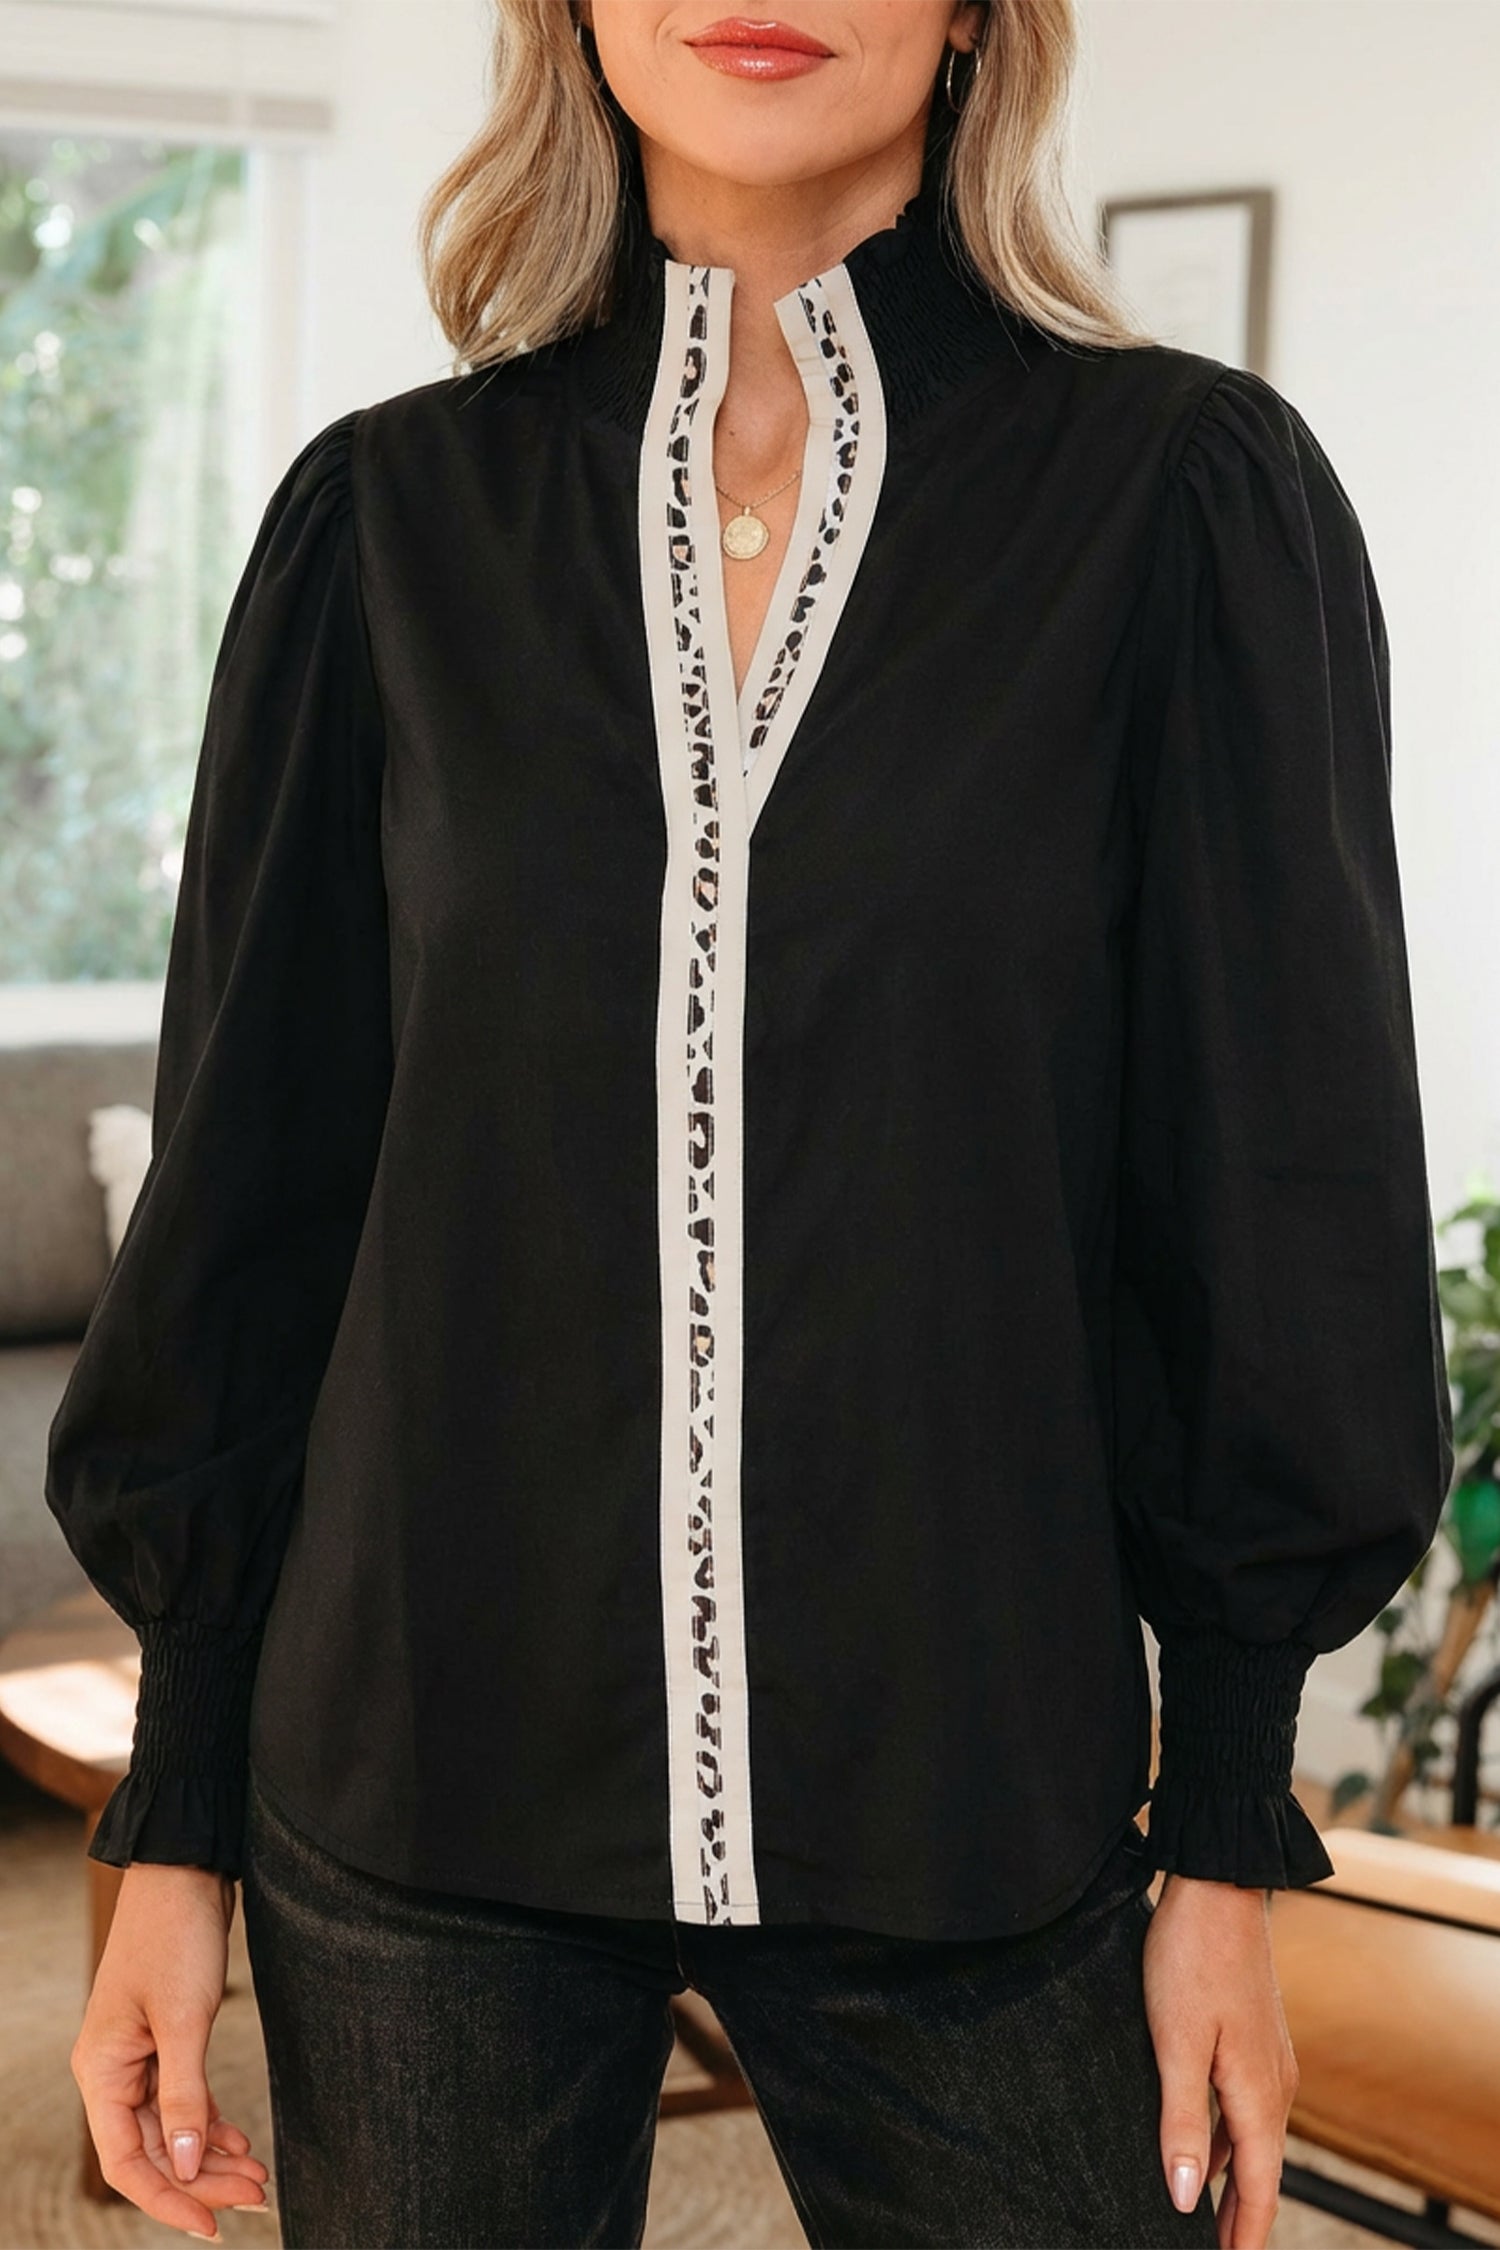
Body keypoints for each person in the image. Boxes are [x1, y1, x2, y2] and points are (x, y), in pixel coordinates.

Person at [47, 2, 1454, 2245]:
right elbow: (252, 1200)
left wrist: (1222, 1836)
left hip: (978, 1810)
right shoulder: (385, 524)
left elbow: (1276, 1183)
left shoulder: (1182, 499)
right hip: (417, 1798)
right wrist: (176, 1818)